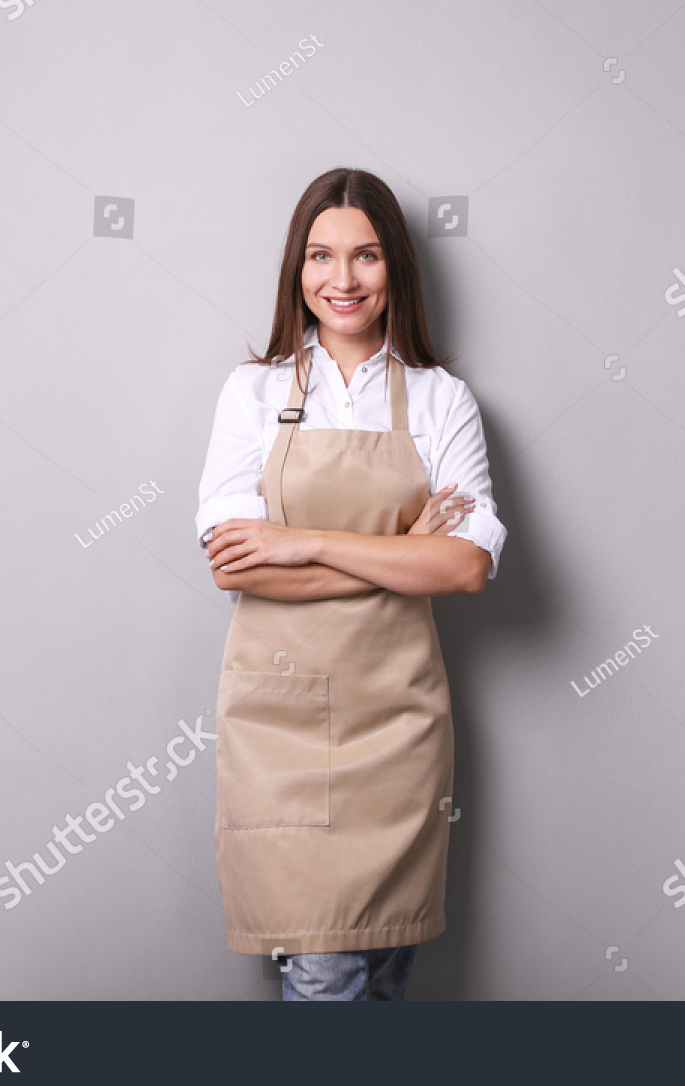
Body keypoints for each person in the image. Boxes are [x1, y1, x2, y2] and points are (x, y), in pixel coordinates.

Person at [194, 167, 506, 1000]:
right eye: (321, 256)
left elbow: (466, 566)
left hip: (396, 727)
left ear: (394, 267)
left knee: (379, 979)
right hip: (279, 728)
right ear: (296, 269)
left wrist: (294, 543)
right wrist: (399, 552)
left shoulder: (443, 401)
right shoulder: (251, 392)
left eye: (365, 257)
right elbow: (237, 566)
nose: (343, 280)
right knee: (325, 975)